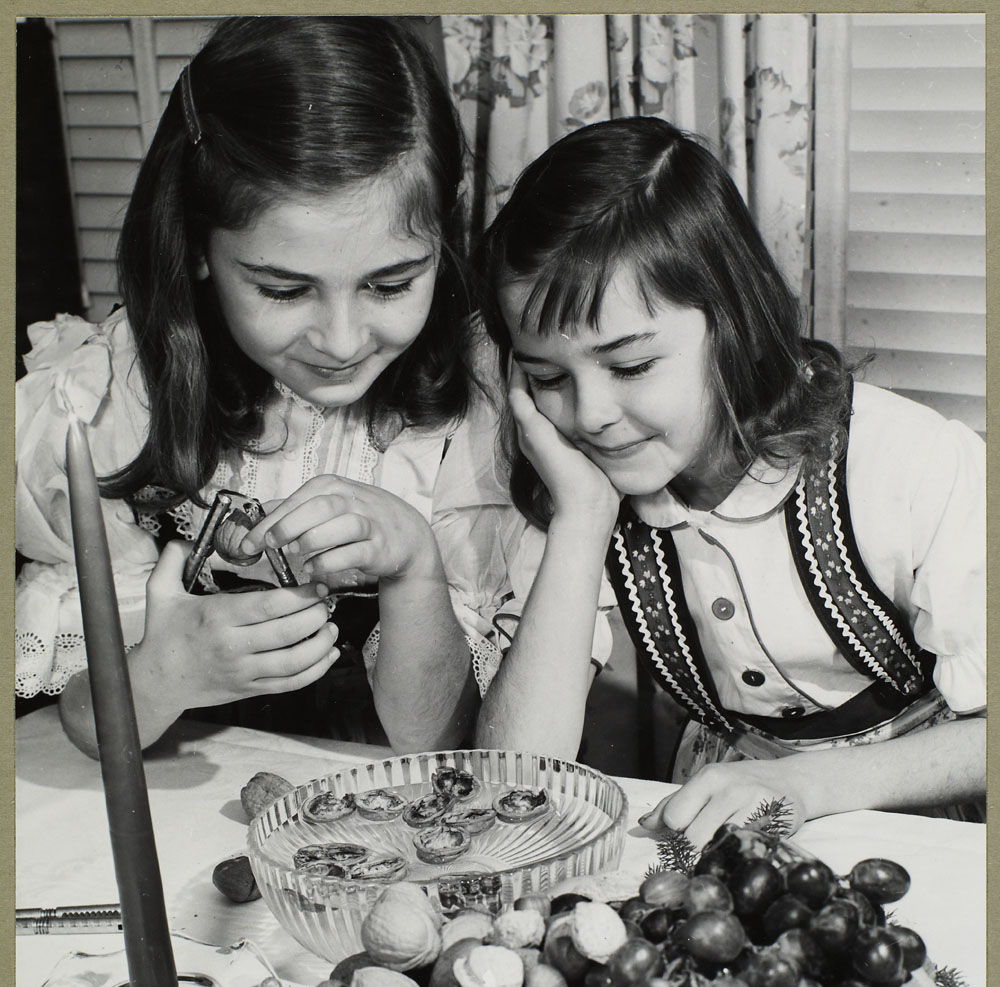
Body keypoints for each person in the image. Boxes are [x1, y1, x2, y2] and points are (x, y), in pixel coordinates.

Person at [17, 17, 583, 756]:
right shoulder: (122, 394)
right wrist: (166, 671)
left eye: (391, 283)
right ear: (196, 248)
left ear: (441, 241)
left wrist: (414, 565)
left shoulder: (477, 411)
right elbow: (90, 730)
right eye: (285, 290)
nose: (343, 341)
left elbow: (452, 746)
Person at [473, 116, 985, 844]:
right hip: (733, 822)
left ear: (732, 322)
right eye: (548, 376)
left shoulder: (905, 460)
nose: (590, 415)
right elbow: (514, 784)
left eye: (631, 365)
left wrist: (804, 783)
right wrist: (583, 518)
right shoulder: (576, 479)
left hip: (924, 822)